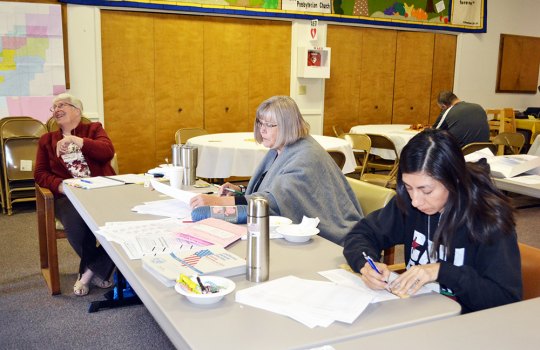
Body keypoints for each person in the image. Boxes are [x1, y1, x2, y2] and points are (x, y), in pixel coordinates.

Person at [343, 129, 522, 313]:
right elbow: (360, 234)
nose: (415, 200)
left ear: (455, 180)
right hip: (419, 313)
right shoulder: (410, 204)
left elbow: (505, 299)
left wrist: (443, 271)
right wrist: (366, 265)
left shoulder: (489, 220)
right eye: (408, 187)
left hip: (468, 324)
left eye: (426, 190)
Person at [189, 95, 363, 245]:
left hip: (331, 238)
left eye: (270, 125)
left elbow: (274, 201)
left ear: (288, 126)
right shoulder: (281, 148)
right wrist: (241, 192)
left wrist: (218, 202)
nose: (262, 129)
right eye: (260, 122)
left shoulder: (306, 156)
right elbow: (275, 189)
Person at [34, 93, 116, 296]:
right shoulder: (47, 140)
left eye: (62, 105)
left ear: (77, 110)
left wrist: (77, 140)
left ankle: (88, 273)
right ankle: (100, 269)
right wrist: (61, 186)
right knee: (76, 224)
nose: (56, 109)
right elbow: (40, 173)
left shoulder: (93, 130)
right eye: (53, 107)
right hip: (67, 196)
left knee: (123, 221)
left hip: (101, 190)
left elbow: (107, 152)